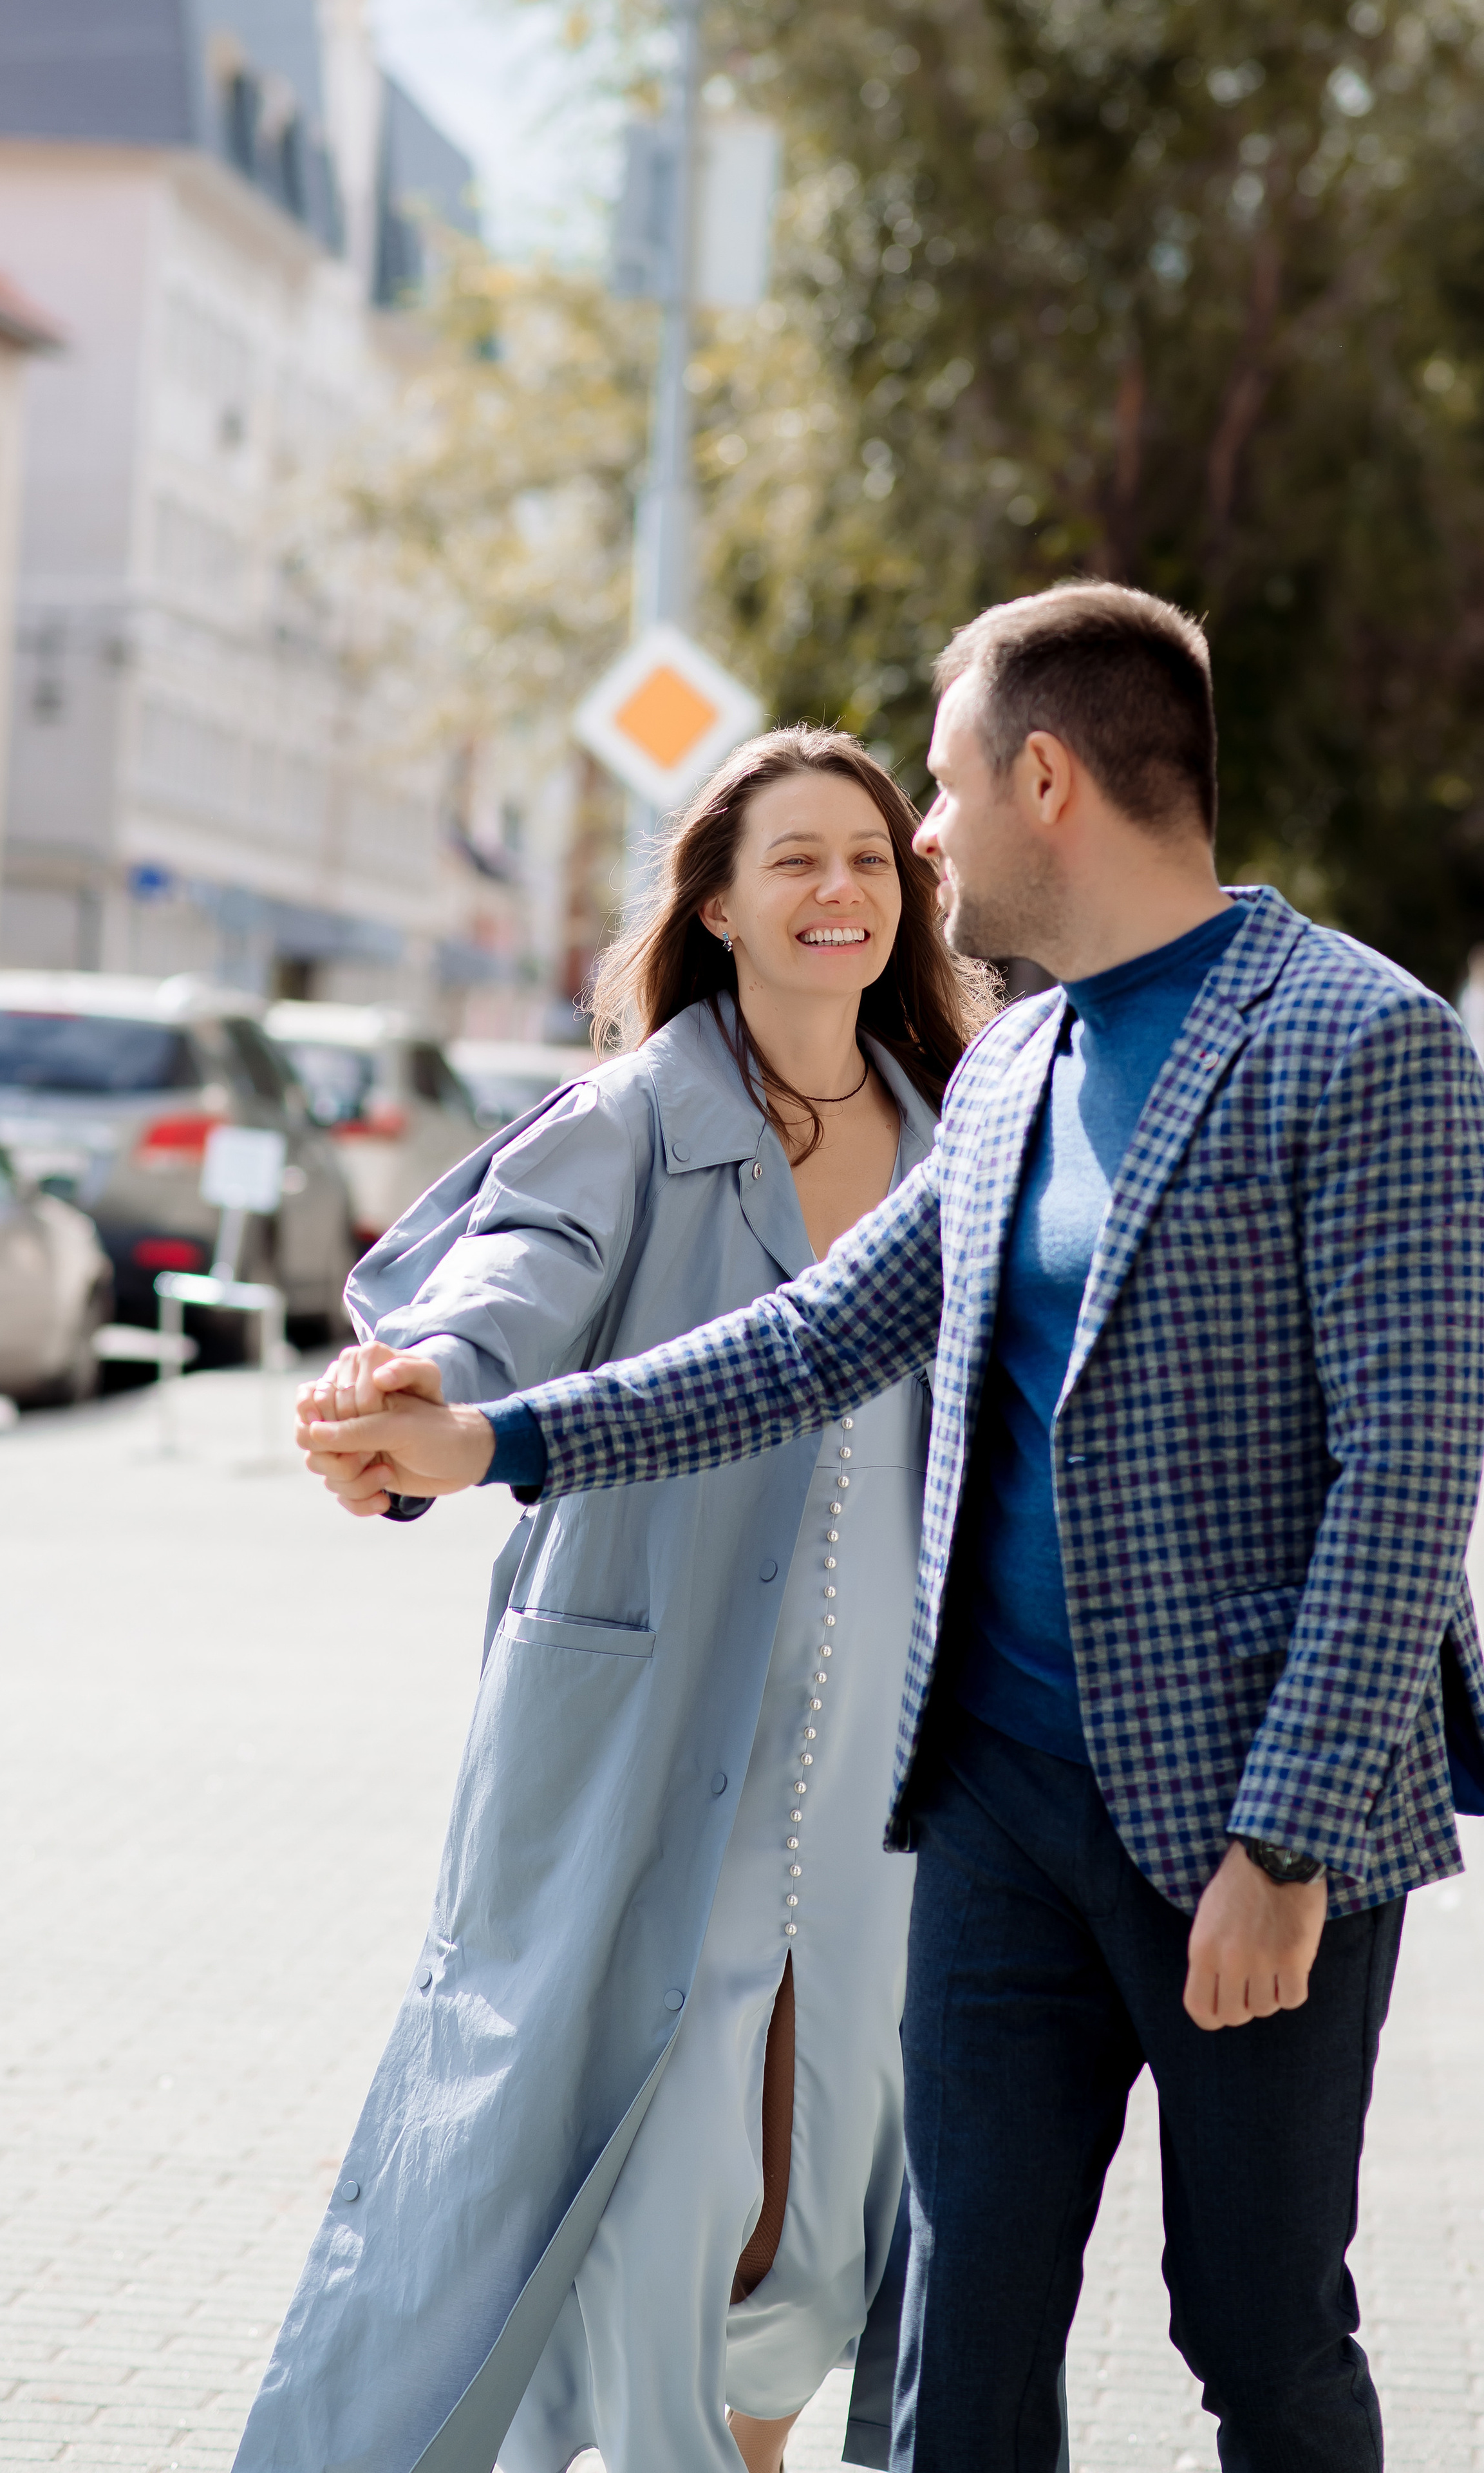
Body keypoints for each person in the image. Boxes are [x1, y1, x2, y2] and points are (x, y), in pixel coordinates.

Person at [306, 581, 1484, 2473]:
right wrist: (496, 1442)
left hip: (1244, 1832)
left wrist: (1286, 1841)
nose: (920, 840)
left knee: (1260, 2335)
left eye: (935, 792)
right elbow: (807, 1340)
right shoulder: (1012, 1067)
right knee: (955, 2341)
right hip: (999, 1813)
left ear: (1045, 780)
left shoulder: (1363, 1043)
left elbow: (1412, 1478)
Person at [235, 726, 994, 2473]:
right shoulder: (638, 1116)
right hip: (656, 1740)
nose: (841, 892)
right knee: (653, 2192)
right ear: (716, 903)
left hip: (889, 1764)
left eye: (872, 860)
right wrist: (424, 1374)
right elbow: (514, 1280)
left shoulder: (969, 1135)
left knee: (823, 2222)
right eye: (797, 859)